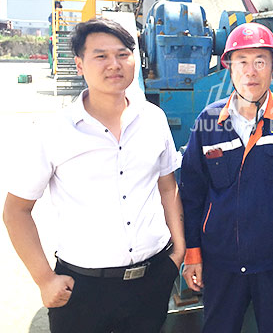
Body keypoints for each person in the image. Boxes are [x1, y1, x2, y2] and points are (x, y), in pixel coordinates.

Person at [3, 18, 185, 333]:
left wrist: (178, 251)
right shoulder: (54, 131)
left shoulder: (154, 119)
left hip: (153, 278)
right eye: (101, 56)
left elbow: (167, 187)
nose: (114, 64)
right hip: (83, 288)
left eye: (123, 54)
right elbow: (16, 211)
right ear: (79, 65)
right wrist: (44, 279)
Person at [180, 22, 273, 333]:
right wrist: (192, 254)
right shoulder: (208, 121)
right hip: (221, 263)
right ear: (229, 68)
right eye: (242, 61)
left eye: (260, 61)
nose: (251, 71)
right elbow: (191, 195)